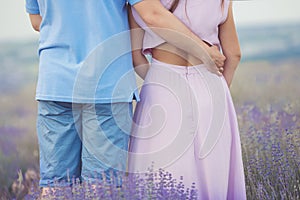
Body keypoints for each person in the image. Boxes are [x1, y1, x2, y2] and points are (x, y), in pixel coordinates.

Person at [128, 0, 247, 199]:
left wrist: (158, 79)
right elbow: (234, 54)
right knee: (214, 171)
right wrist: (218, 91)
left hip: (162, 85)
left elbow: (136, 57)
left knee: (159, 171)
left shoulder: (144, 4)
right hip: (210, 84)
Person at [25, 0, 145, 195]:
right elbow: (149, 13)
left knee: (55, 186)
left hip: (56, 82)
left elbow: (36, 21)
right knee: (102, 187)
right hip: (107, 85)